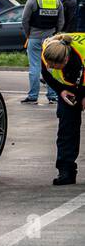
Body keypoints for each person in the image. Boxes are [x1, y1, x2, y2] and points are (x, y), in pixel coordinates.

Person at [40, 34, 85, 185]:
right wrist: (61, 90)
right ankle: (66, 171)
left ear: (65, 60)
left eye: (54, 66)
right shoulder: (48, 49)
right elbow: (47, 75)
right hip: (69, 86)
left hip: (81, 74)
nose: (50, 67)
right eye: (48, 63)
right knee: (67, 128)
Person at [21, 0, 64, 104]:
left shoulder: (33, 0)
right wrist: (54, 33)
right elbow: (61, 21)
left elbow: (25, 20)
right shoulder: (57, 1)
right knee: (50, 66)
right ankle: (52, 95)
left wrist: (28, 33)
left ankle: (33, 95)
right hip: (50, 39)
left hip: (34, 38)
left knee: (34, 66)